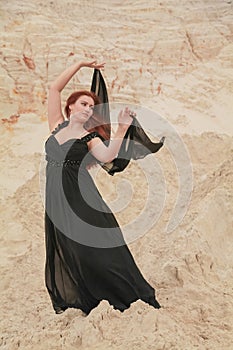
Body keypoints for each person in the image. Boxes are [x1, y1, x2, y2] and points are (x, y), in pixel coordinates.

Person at [44, 59, 162, 315]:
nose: (88, 109)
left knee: (93, 250)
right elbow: (54, 88)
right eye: (84, 104)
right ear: (70, 106)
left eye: (92, 106)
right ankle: (90, 298)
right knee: (70, 249)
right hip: (56, 200)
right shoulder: (56, 125)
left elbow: (108, 156)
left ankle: (129, 294)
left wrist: (121, 128)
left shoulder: (90, 137)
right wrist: (80, 64)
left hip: (80, 199)